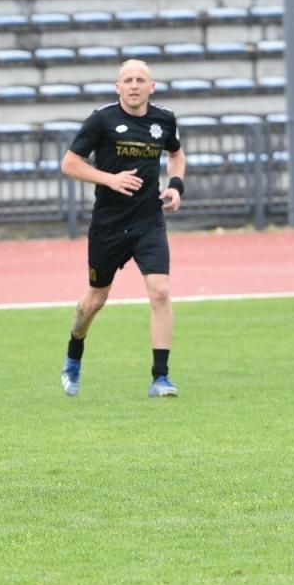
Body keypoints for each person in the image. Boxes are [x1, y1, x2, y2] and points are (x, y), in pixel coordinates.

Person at [59, 59, 186, 398]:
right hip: (109, 225)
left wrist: (175, 186)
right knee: (94, 301)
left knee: (160, 291)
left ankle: (161, 377)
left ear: (151, 86)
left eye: (140, 79)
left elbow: (177, 155)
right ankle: (74, 352)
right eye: (127, 80)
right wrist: (109, 179)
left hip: (148, 221)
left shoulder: (164, 120)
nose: (134, 85)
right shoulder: (102, 119)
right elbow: (69, 164)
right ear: (118, 87)